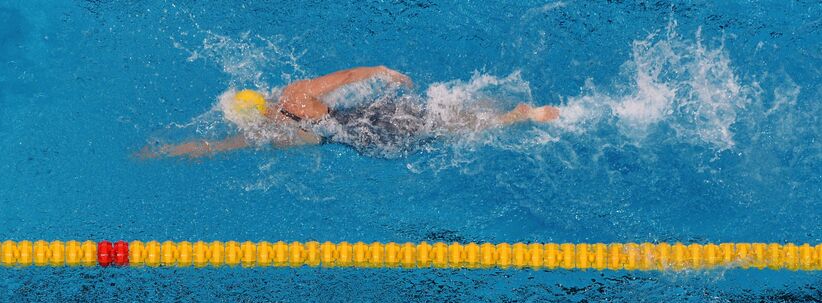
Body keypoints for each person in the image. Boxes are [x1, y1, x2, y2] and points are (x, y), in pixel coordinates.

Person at [138, 65, 559, 159]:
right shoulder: (275, 126)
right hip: (370, 130)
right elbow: (215, 147)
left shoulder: (295, 99)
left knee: (444, 126)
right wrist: (166, 152)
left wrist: (380, 70)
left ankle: (519, 114)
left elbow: (347, 76)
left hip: (376, 125)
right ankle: (510, 112)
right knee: (443, 121)